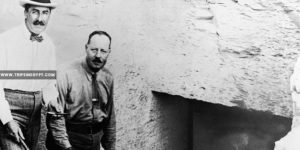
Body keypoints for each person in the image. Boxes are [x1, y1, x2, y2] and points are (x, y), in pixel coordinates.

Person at [0, 0, 58, 149]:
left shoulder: (49, 45)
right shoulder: (6, 40)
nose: (40, 18)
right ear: (25, 13)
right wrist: (7, 120)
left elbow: (48, 84)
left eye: (45, 13)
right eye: (35, 12)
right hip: (10, 109)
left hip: (35, 116)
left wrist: (52, 102)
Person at [46, 31, 116, 150]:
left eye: (103, 51)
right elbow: (55, 117)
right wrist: (67, 147)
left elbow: (109, 117)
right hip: (67, 140)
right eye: (94, 50)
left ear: (109, 52)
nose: (98, 55)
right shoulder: (65, 73)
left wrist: (110, 147)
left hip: (93, 144)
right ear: (86, 48)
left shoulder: (108, 77)